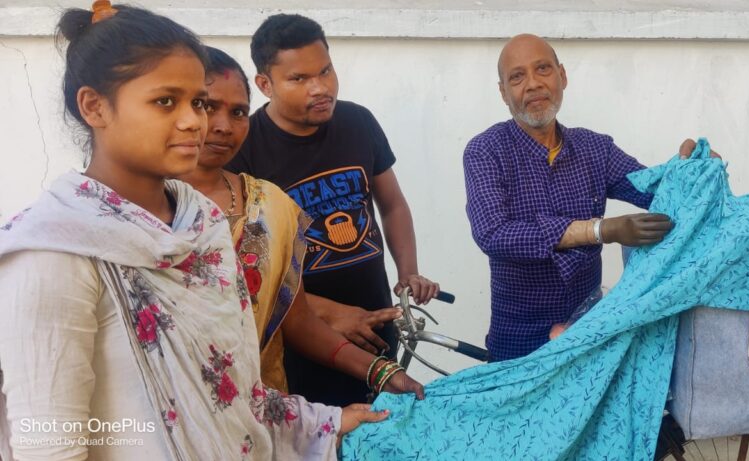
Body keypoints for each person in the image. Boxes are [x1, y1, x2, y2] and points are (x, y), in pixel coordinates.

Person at [0, 4, 385, 459]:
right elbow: (50, 447)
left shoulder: (201, 222)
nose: (195, 121)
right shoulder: (52, 253)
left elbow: (235, 395)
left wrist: (329, 421)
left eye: (196, 101)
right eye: (166, 101)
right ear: (94, 107)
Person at [178, 46, 424, 400]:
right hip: (172, 404)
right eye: (206, 106)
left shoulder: (267, 203)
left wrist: (380, 371)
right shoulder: (133, 209)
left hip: (264, 400)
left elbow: (291, 314)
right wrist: (333, 314)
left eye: (238, 112)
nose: (223, 126)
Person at [226, 13, 439, 407]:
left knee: (381, 423)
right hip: (301, 341)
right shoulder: (246, 149)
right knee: (320, 432)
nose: (320, 88)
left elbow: (392, 204)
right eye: (299, 79)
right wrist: (329, 313)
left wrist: (408, 272)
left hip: (376, 323)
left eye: (325, 71)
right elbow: (245, 268)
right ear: (265, 84)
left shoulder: (359, 122)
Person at [464, 34, 708, 361]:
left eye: (543, 69)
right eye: (517, 77)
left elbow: (654, 191)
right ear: (503, 93)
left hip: (589, 332)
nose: (533, 84)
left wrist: (693, 170)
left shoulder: (595, 149)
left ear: (562, 76)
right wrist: (599, 230)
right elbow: (494, 234)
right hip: (518, 340)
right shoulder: (485, 151)